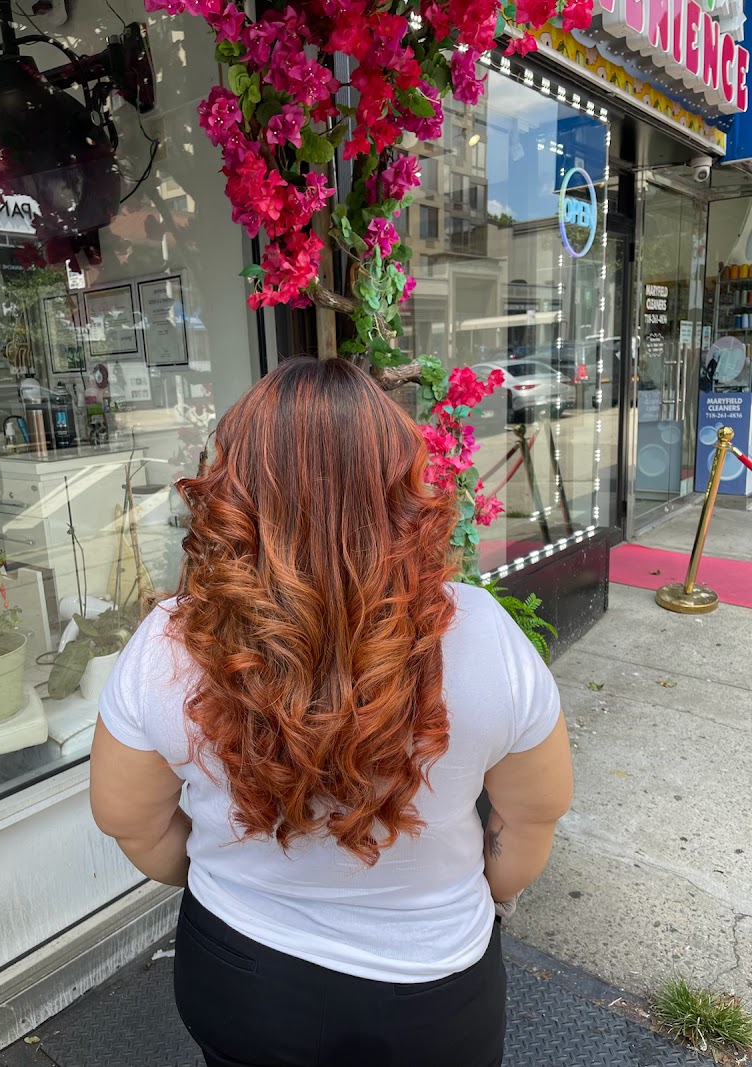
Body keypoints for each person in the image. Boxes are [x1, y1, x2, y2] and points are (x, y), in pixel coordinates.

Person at [90, 356, 573, 1067]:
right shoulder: (483, 633)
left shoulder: (168, 641)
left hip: (242, 975)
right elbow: (530, 821)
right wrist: (468, 890)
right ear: (402, 485)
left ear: (233, 488)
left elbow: (131, 821)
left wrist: (232, 875)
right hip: (433, 989)